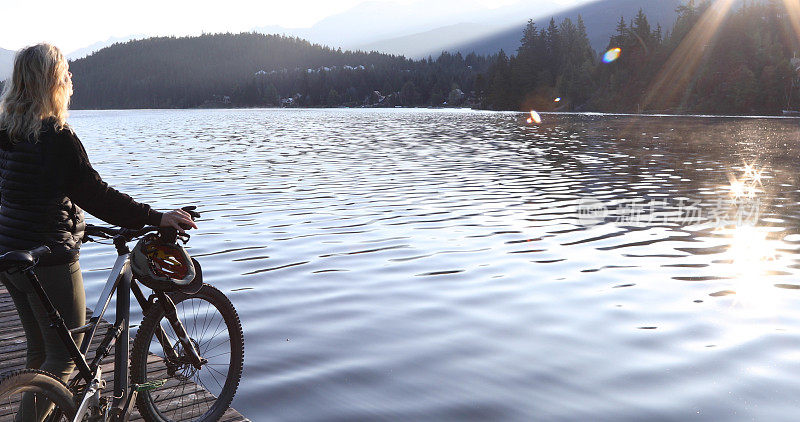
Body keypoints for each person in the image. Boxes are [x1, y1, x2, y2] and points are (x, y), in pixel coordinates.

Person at [0, 43, 197, 421]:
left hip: (11, 255)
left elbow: (28, 193)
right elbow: (97, 195)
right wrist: (156, 218)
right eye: (66, 73)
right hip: (49, 258)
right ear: (51, 82)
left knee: (40, 352)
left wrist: (76, 223)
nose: (71, 79)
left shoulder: (9, 132)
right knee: (63, 357)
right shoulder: (54, 136)